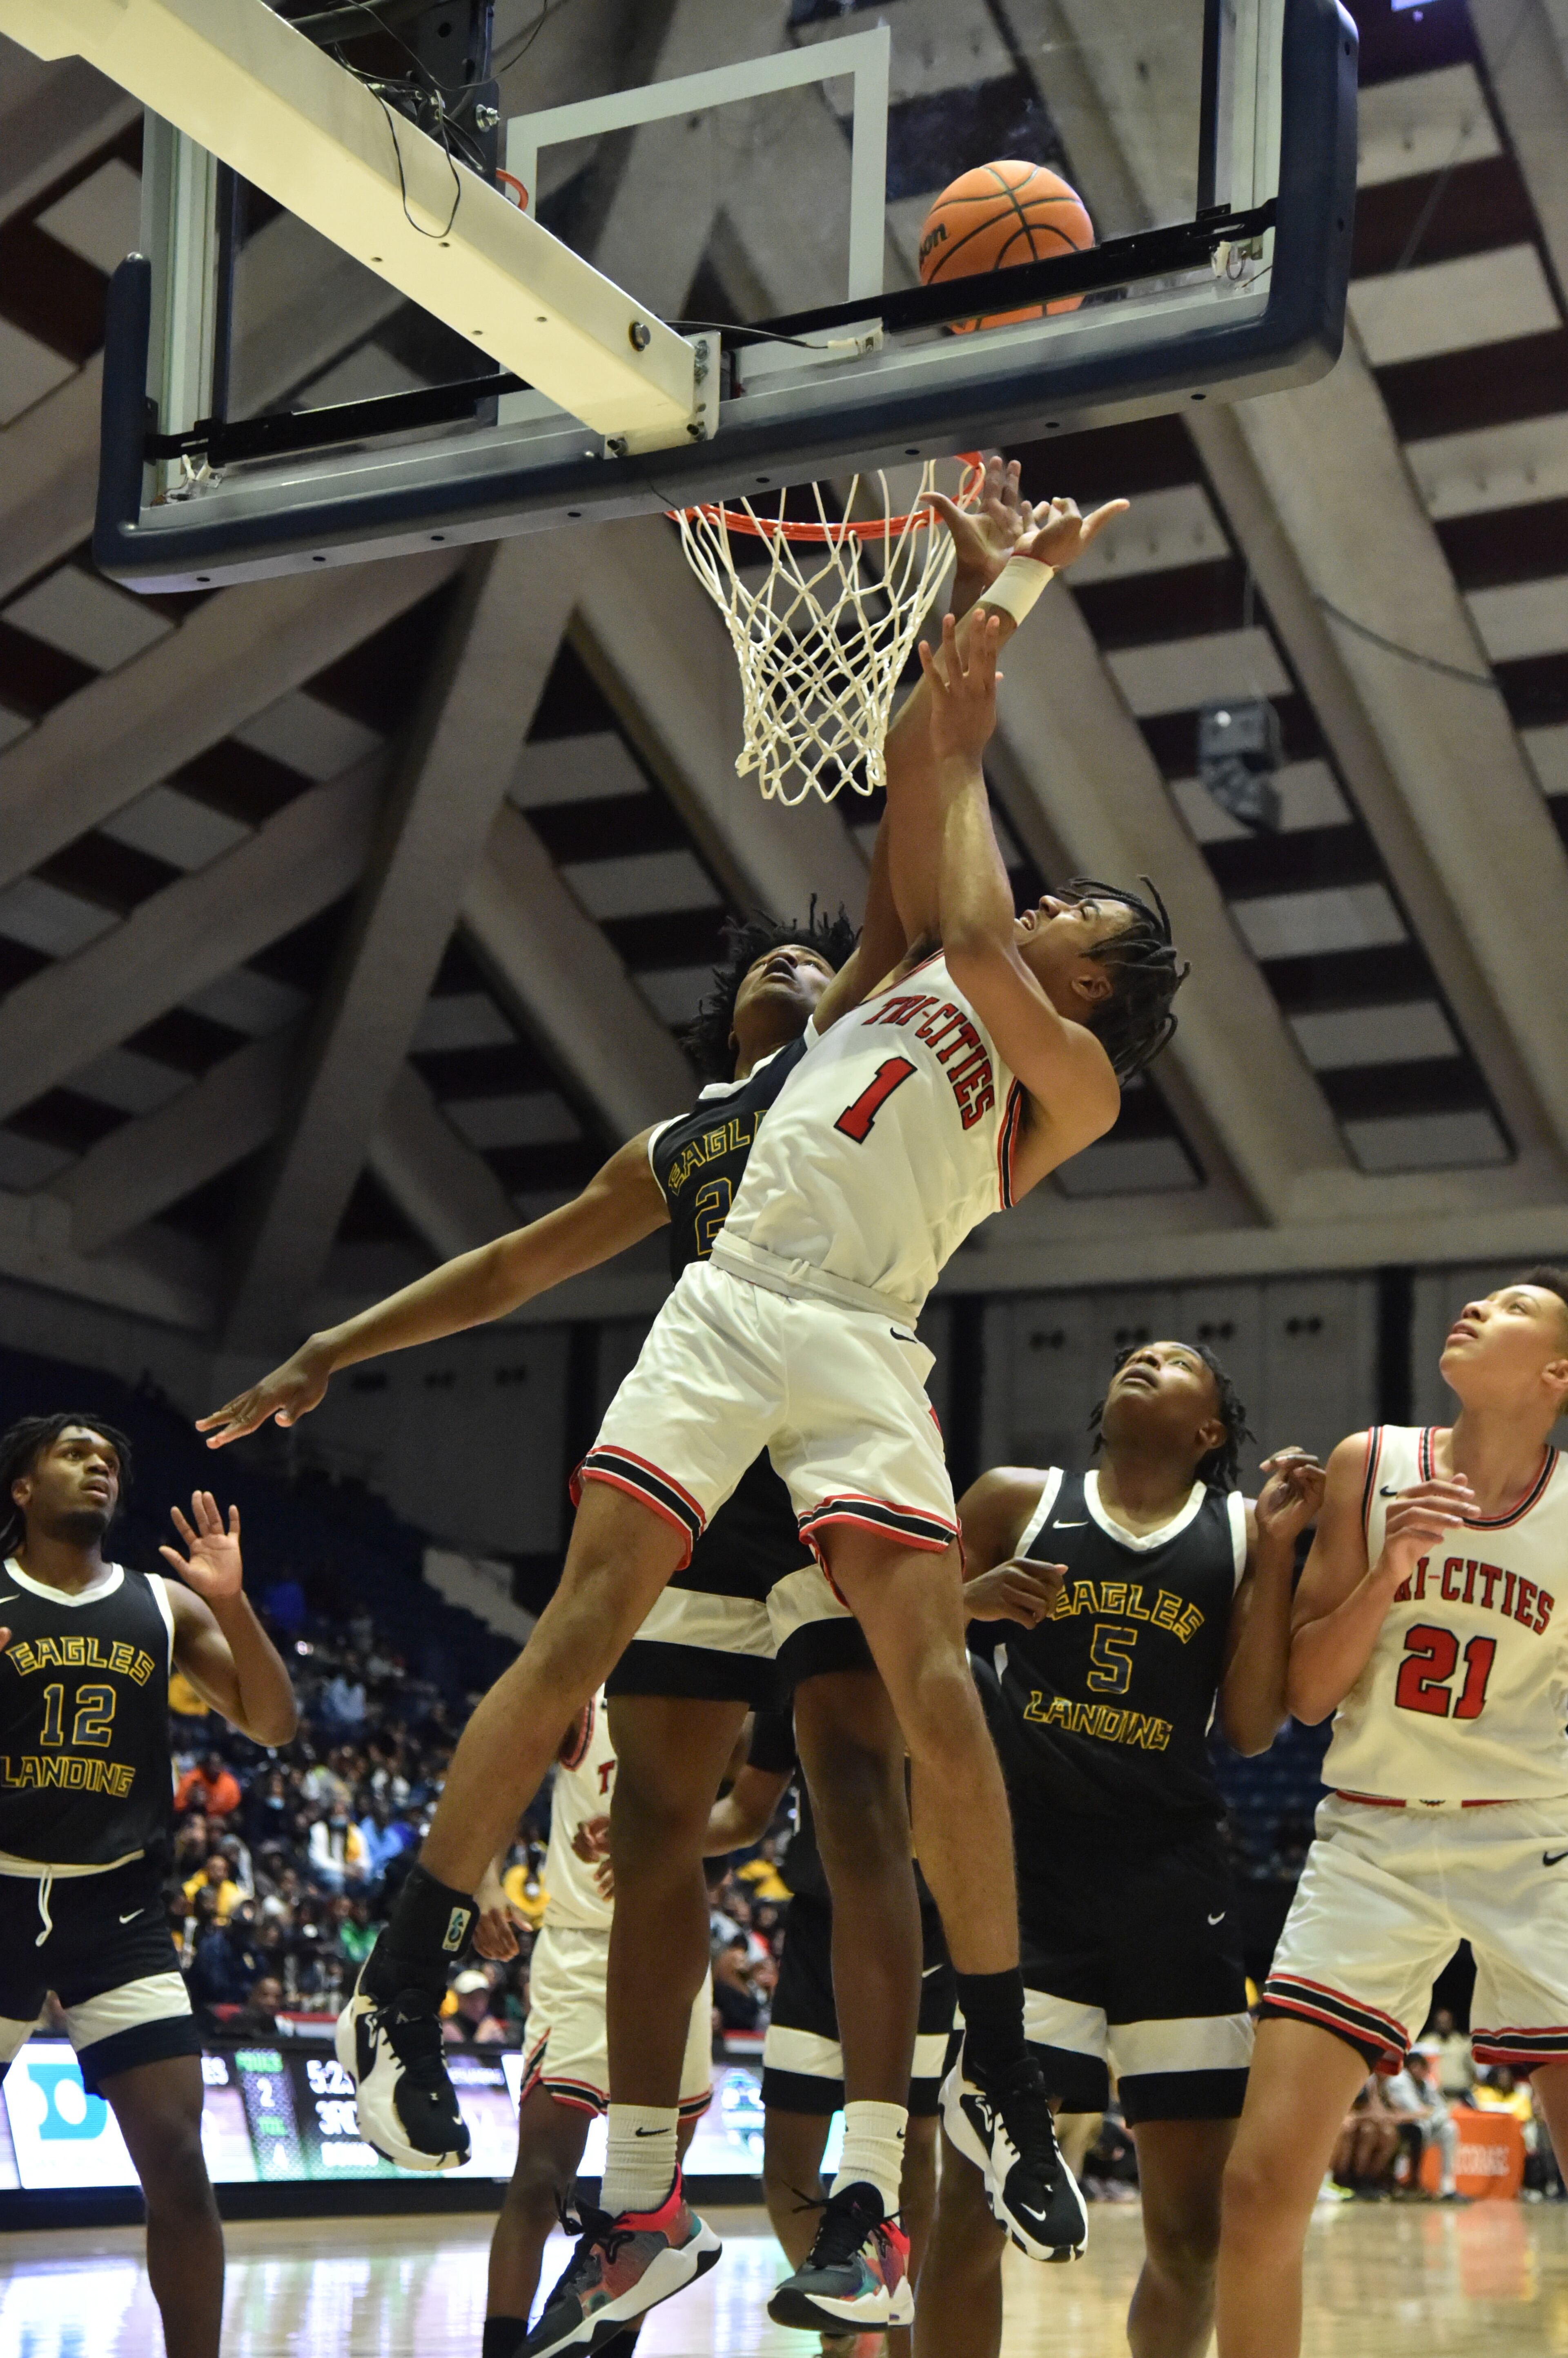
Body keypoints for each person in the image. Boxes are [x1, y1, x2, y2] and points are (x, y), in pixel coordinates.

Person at [912, 1341, 1322, 2358]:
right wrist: (962, 1603)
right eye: (1135, 1353)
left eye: (1176, 1360)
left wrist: (1276, 1558)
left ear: (1208, 1431)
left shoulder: (1233, 1531)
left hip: (1172, 1890)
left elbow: (1255, 1726)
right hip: (1025, 1880)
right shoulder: (1013, 1497)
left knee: (1190, 2229)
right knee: (972, 2202)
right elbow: (889, 1632)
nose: (1147, 1357)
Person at [1216, 1272, 1568, 2358]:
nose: (1473, 1308)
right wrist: (1390, 1570)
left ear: (1556, 1375)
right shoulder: (1373, 1463)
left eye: (1511, 1308)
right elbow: (1309, 1694)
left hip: (1536, 1840)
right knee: (1261, 2184)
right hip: (1374, 1838)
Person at [0, 1414, 296, 2358]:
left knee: (178, 2162)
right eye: (75, 1452)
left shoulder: (163, 1602)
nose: (99, 1466)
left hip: (117, 1909)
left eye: (111, 1460)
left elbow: (275, 1721)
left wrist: (234, 1604)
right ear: (21, 1485)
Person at [706, 1706, 956, 2356]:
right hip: (819, 1924)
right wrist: (654, 1834)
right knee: (785, 2160)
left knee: (913, 2148)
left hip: (924, 1924)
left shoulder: (957, 1675)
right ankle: (845, 2314)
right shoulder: (804, 1663)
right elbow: (740, 1792)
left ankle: (897, 2324)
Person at [472, 1693, 713, 2358]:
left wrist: (665, 1840)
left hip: (673, 1942)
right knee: (540, 2174)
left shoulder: (715, 1672)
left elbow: (744, 1804)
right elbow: (503, 1771)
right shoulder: (586, 1683)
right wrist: (487, 1879)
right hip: (582, 1949)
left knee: (648, 2206)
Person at [175, 1749, 241, 1822]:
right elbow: (178, 1806)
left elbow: (233, 1810)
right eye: (212, 1765)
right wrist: (191, 1801)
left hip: (219, 1822)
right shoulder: (192, 1779)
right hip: (193, 1819)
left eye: (218, 1765)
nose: (215, 1769)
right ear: (205, 1765)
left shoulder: (230, 1784)